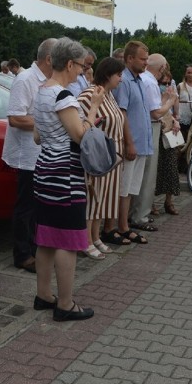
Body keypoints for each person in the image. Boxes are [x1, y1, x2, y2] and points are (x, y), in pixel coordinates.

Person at [32, 38, 103, 322]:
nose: (83, 73)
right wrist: (94, 109)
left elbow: (38, 135)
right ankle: (65, 303)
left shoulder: (42, 92)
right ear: (70, 64)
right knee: (69, 240)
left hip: (45, 170)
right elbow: (80, 135)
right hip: (66, 175)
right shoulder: (63, 96)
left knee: (47, 237)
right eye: (81, 66)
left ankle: (43, 294)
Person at [2, 38, 56, 274]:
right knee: (26, 207)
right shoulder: (25, 79)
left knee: (38, 207)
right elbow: (15, 118)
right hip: (27, 156)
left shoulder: (47, 80)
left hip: (41, 154)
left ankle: (35, 250)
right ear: (49, 59)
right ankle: (22, 255)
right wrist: (49, 122)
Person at [77, 57, 126, 258]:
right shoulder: (91, 93)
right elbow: (80, 114)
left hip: (112, 155)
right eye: (119, 75)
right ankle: (85, 240)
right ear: (108, 75)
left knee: (104, 198)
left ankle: (95, 236)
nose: (121, 79)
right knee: (94, 196)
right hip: (99, 154)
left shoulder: (110, 95)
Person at [107, 41, 152, 245]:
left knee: (131, 188)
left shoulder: (139, 81)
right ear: (130, 58)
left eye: (147, 59)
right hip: (131, 144)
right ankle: (117, 226)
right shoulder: (124, 81)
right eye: (142, 59)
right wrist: (129, 142)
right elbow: (122, 112)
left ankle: (124, 225)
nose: (146, 62)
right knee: (122, 188)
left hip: (142, 143)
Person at [129, 53, 176, 232]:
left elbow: (154, 107)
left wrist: (164, 101)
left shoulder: (144, 80)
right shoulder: (149, 82)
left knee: (143, 174)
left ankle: (137, 213)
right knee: (147, 176)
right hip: (150, 126)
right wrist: (170, 102)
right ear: (162, 68)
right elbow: (155, 112)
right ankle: (140, 215)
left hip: (148, 126)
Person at [154, 65, 183, 215]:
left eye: (168, 83)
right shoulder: (153, 91)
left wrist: (175, 120)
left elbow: (171, 110)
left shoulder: (170, 92)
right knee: (155, 168)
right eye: (163, 83)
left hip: (168, 128)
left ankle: (169, 201)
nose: (166, 86)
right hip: (156, 129)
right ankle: (151, 203)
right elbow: (156, 109)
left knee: (171, 165)